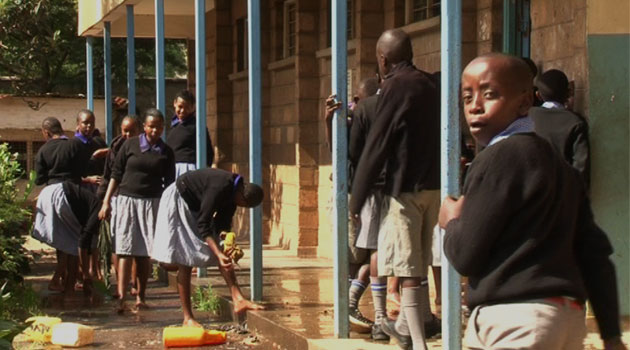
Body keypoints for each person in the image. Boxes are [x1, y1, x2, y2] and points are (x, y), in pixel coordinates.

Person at [439, 53, 625, 350]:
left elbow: (465, 256)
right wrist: (611, 334)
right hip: (566, 319)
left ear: (525, 102)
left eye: (489, 94)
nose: (474, 106)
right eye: (467, 96)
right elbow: (594, 256)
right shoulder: (562, 170)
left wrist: (450, 220)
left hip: (515, 321)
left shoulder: (496, 159)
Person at [350, 29, 440, 350]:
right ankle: (403, 328)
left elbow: (378, 143)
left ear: (383, 59)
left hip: (405, 190)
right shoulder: (430, 84)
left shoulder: (395, 87)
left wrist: (356, 197)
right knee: (415, 260)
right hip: (433, 187)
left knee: (408, 268)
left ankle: (418, 344)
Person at [151, 168, 265, 327]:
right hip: (179, 199)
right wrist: (217, 253)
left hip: (195, 206)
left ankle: (238, 298)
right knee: (185, 259)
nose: (242, 208)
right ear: (242, 196)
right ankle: (188, 318)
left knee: (222, 252)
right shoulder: (219, 187)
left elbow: (222, 223)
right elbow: (203, 224)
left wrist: (225, 241)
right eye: (244, 205)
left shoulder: (233, 194)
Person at [99, 108, 175, 313]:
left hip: (152, 204)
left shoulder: (166, 152)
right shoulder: (130, 145)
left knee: (144, 254)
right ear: (144, 126)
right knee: (124, 251)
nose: (154, 130)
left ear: (163, 128)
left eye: (158, 127)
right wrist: (107, 202)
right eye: (151, 126)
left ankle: (141, 297)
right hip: (126, 201)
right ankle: (122, 297)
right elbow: (116, 174)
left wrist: (169, 210)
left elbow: (170, 184)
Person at [324, 77, 381, 334]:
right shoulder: (351, 123)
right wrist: (330, 122)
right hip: (351, 197)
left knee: (366, 256)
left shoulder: (367, 122)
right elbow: (336, 153)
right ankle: (349, 305)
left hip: (360, 196)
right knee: (364, 256)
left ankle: (349, 304)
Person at [31, 117, 86, 293]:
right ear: (61, 129)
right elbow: (83, 170)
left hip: (50, 194)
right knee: (73, 238)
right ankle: (66, 283)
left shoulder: (43, 150)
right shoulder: (74, 145)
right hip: (71, 192)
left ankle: (61, 279)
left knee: (61, 239)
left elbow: (39, 179)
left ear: (46, 132)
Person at [96, 116, 142, 297]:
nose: (127, 134)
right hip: (118, 197)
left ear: (139, 129)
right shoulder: (116, 147)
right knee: (118, 243)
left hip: (137, 197)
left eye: (131, 130)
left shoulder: (146, 147)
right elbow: (109, 174)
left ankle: (135, 283)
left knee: (137, 245)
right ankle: (121, 283)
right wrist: (104, 199)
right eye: (124, 130)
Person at [529, 68, 590, 187]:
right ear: (568, 93)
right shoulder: (575, 122)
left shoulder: (525, 116)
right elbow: (581, 166)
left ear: (538, 95)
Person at [166, 90, 214, 177]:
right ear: (174, 103)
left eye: (187, 107)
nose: (182, 110)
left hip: (187, 170)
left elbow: (208, 151)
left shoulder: (197, 126)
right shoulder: (174, 125)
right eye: (180, 107)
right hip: (173, 169)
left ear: (193, 107)